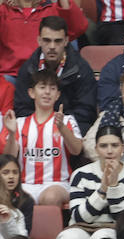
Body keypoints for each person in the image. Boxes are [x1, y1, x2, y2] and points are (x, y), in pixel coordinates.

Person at [4, 69, 82, 207]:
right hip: (25, 184)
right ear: (31, 93)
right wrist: (11, 134)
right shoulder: (19, 123)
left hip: (57, 183)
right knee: (20, 199)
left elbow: (77, 150)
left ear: (58, 95)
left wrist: (62, 128)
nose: (47, 92)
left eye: (52, 88)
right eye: (42, 87)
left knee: (51, 198)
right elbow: (9, 157)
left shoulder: (67, 120)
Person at [0, 0, 88, 79]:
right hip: (10, 75)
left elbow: (78, 28)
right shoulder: (4, 10)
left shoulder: (52, 9)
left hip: (45, 75)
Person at [15, 16, 97, 132]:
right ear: (39, 40)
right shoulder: (28, 69)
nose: (52, 46)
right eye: (47, 40)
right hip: (35, 128)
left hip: (70, 128)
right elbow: (21, 109)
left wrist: (60, 126)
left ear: (66, 41)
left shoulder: (81, 69)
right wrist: (44, 126)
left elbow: (86, 112)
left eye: (57, 41)